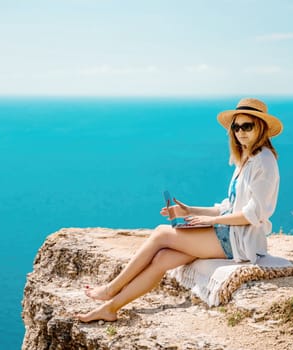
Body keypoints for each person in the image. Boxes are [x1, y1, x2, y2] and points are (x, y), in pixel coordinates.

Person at [74, 97, 282, 322]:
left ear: (260, 127)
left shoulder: (264, 161)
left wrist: (209, 221)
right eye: (236, 127)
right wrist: (189, 211)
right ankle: (111, 309)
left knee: (162, 233)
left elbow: (254, 213)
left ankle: (110, 289)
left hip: (240, 240)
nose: (240, 132)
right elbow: (229, 206)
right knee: (163, 258)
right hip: (229, 233)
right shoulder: (247, 159)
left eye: (247, 126)